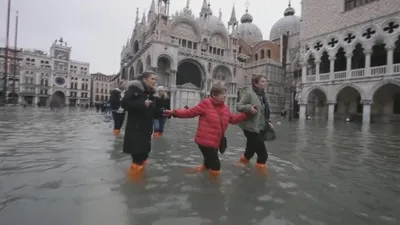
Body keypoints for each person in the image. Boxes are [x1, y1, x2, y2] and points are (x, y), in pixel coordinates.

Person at [164, 83, 251, 176]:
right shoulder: (206, 103)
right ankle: (213, 187)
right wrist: (174, 112)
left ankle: (201, 172)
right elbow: (190, 112)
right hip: (205, 142)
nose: (225, 95)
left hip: (215, 142)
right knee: (216, 166)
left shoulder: (225, 108)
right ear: (214, 94)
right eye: (222, 93)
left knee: (209, 161)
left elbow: (233, 119)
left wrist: (246, 114)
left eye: (226, 93)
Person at [121, 71, 162, 177]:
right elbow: (125, 103)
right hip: (136, 128)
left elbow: (153, 110)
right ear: (144, 79)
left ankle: (141, 179)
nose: (155, 81)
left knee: (144, 155)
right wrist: (142, 103)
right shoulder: (134, 89)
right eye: (152, 79)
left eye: (155, 79)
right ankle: (134, 186)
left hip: (146, 129)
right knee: (137, 156)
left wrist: (166, 112)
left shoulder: (151, 93)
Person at [237, 75, 272, 171]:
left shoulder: (263, 95)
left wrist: (268, 122)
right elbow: (239, 106)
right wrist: (249, 108)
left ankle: (240, 164)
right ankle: (261, 177)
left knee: (250, 151)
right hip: (250, 128)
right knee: (263, 154)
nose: (265, 83)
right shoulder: (249, 93)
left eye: (266, 81)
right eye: (262, 81)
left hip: (260, 127)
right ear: (255, 83)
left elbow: (264, 112)